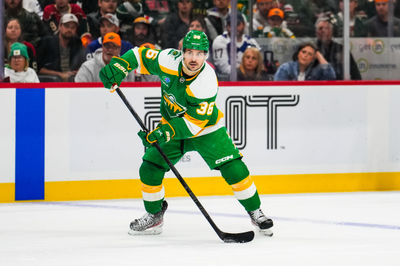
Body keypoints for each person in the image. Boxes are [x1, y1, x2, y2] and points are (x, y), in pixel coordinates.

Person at [98, 30, 274, 236]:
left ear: (206, 55)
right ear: (182, 52)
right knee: (149, 168)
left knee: (234, 169)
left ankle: (255, 211)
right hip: (173, 126)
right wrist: (121, 65)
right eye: (189, 52)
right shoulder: (167, 59)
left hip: (206, 129)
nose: (193, 58)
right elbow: (139, 55)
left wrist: (162, 133)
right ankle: (154, 216)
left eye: (199, 54)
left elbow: (193, 124)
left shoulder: (206, 81)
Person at [37, 13, 85, 81]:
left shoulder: (77, 43)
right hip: (52, 81)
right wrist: (60, 74)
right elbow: (38, 69)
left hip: (72, 80)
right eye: (66, 26)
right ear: (60, 26)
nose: (69, 30)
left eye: (73, 27)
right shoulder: (47, 42)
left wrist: (79, 71)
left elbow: (83, 63)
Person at [212, 14, 260, 78]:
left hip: (250, 78)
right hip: (227, 80)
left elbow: (260, 64)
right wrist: (244, 72)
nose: (234, 28)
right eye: (230, 25)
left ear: (243, 25)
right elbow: (224, 68)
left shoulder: (251, 41)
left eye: (237, 24)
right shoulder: (220, 40)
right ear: (227, 27)